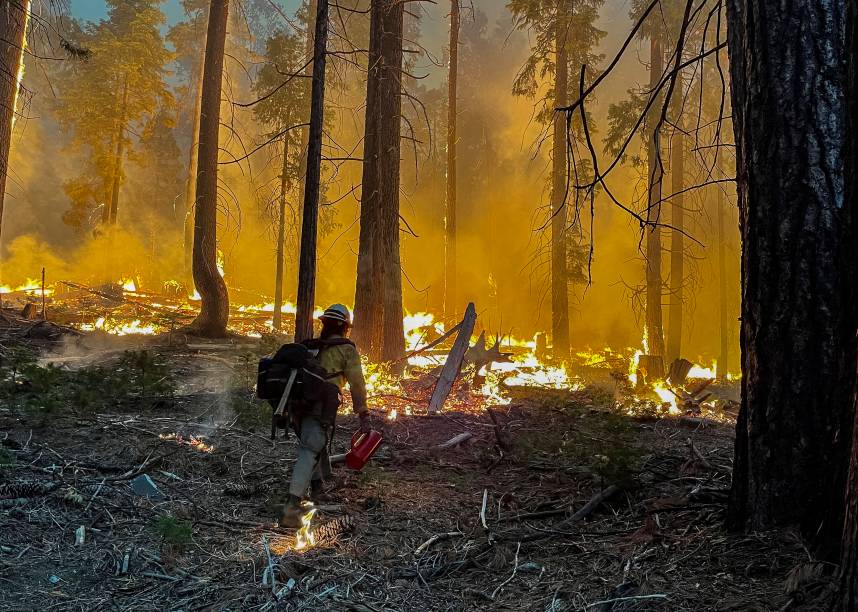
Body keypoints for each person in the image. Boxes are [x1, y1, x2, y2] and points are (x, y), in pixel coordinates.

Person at [280, 304, 370, 528]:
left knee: (314, 444)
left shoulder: (310, 346)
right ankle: (292, 507)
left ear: (324, 324)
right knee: (311, 448)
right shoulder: (346, 349)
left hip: (297, 406)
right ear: (345, 327)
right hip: (319, 406)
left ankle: (318, 489)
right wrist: (363, 412)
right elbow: (357, 383)